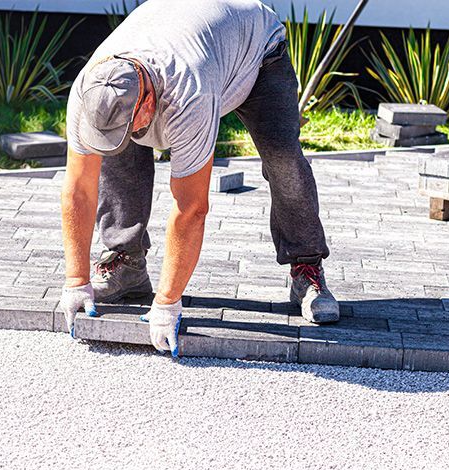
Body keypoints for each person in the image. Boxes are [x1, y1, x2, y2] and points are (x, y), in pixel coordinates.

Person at [60, 0, 339, 356]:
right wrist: (76, 281)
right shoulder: (89, 90)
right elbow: (78, 191)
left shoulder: (189, 91)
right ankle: (125, 262)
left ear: (148, 103)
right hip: (191, 39)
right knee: (117, 147)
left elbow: (191, 206)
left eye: (135, 121)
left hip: (256, 51)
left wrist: (167, 303)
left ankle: (307, 268)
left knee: (283, 158)